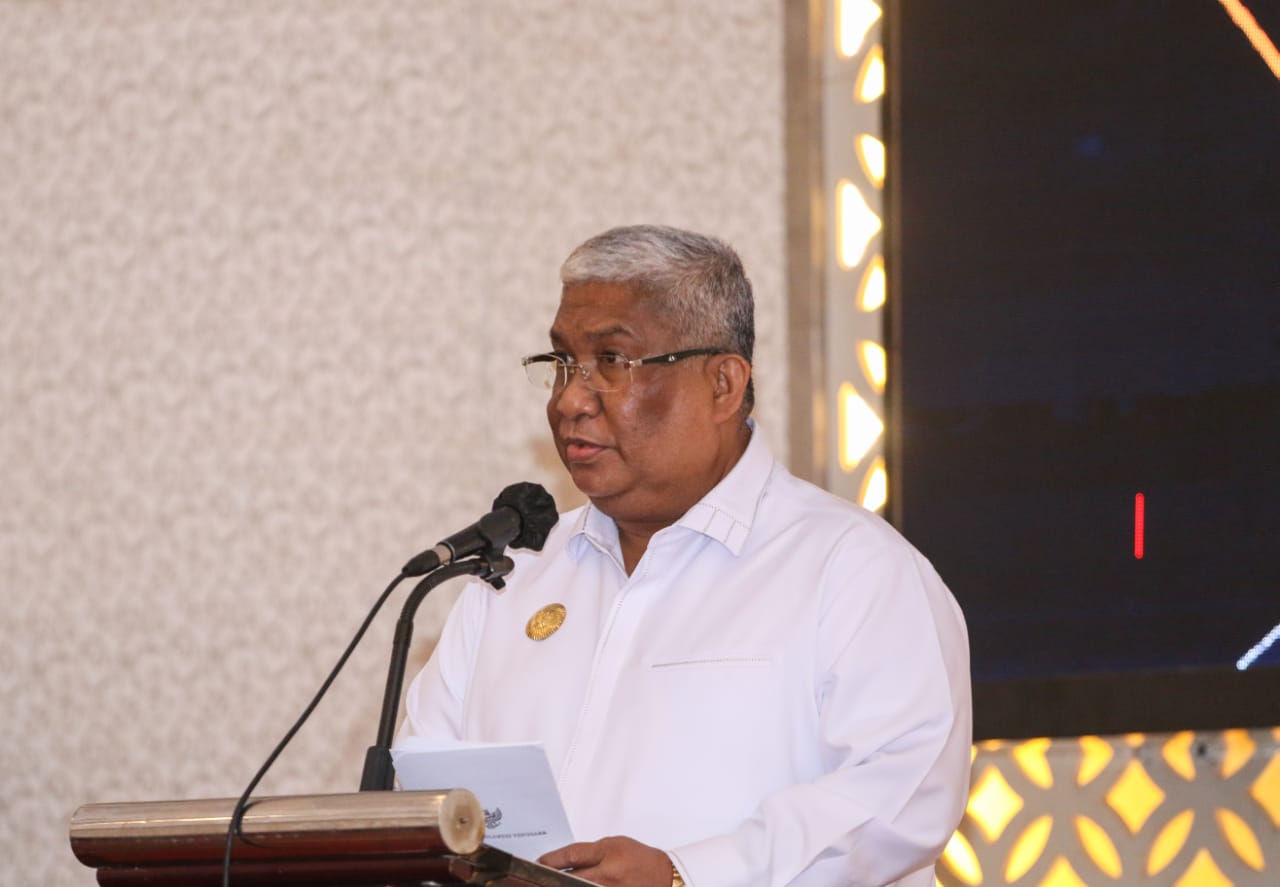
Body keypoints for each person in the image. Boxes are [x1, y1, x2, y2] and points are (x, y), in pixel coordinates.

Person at [398, 225, 971, 887]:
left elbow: (902, 795)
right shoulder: (513, 577)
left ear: (723, 384)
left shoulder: (853, 569)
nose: (569, 399)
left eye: (611, 361)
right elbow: (421, 793)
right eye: (562, 363)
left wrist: (686, 875)